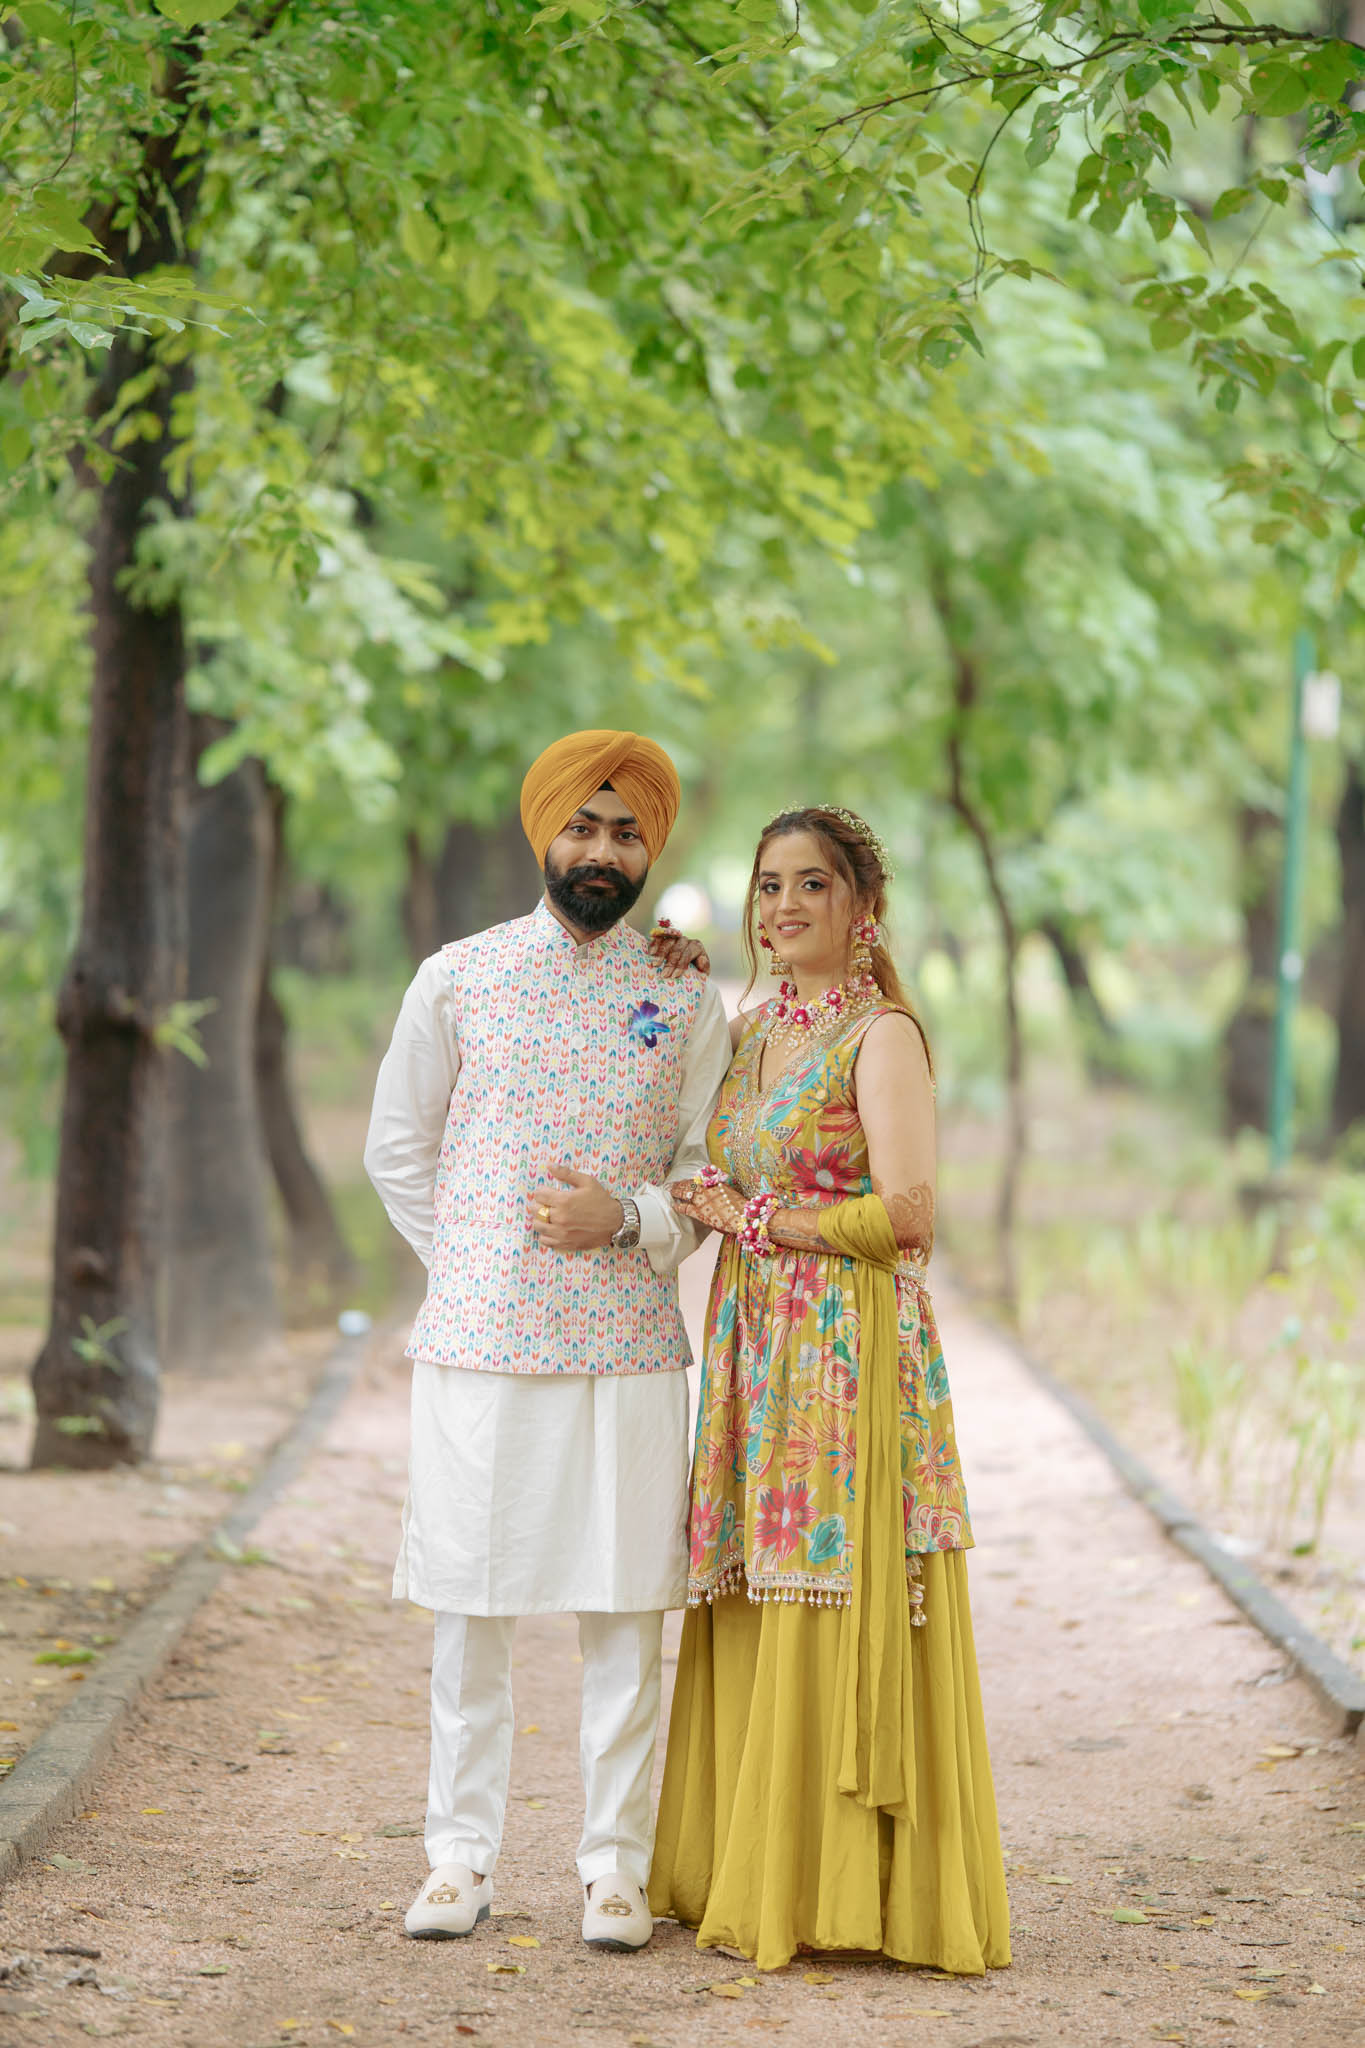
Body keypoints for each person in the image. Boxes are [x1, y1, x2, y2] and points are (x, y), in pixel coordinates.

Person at [364, 730, 730, 1951]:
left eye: (626, 831)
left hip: (628, 1352)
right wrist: (474, 1262)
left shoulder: (687, 998)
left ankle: (614, 1869)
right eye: (583, 825)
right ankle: (457, 1859)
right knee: (470, 1611)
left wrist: (622, 1217)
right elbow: (397, 1148)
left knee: (625, 1612)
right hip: (480, 1348)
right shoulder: (457, 977)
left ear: (650, 848)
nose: (602, 849)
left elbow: (707, 1179)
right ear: (545, 834)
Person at [648, 805, 1011, 1974]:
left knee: (825, 1585)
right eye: (769, 885)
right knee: (753, 1580)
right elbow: (688, 1119)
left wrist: (756, 1220)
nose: (786, 904)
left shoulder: (881, 1033)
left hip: (846, 1344)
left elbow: (910, 1217)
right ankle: (756, 1865)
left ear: (865, 906)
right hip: (756, 1339)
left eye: (812, 883)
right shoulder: (751, 1029)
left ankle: (851, 1886)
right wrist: (667, 979)